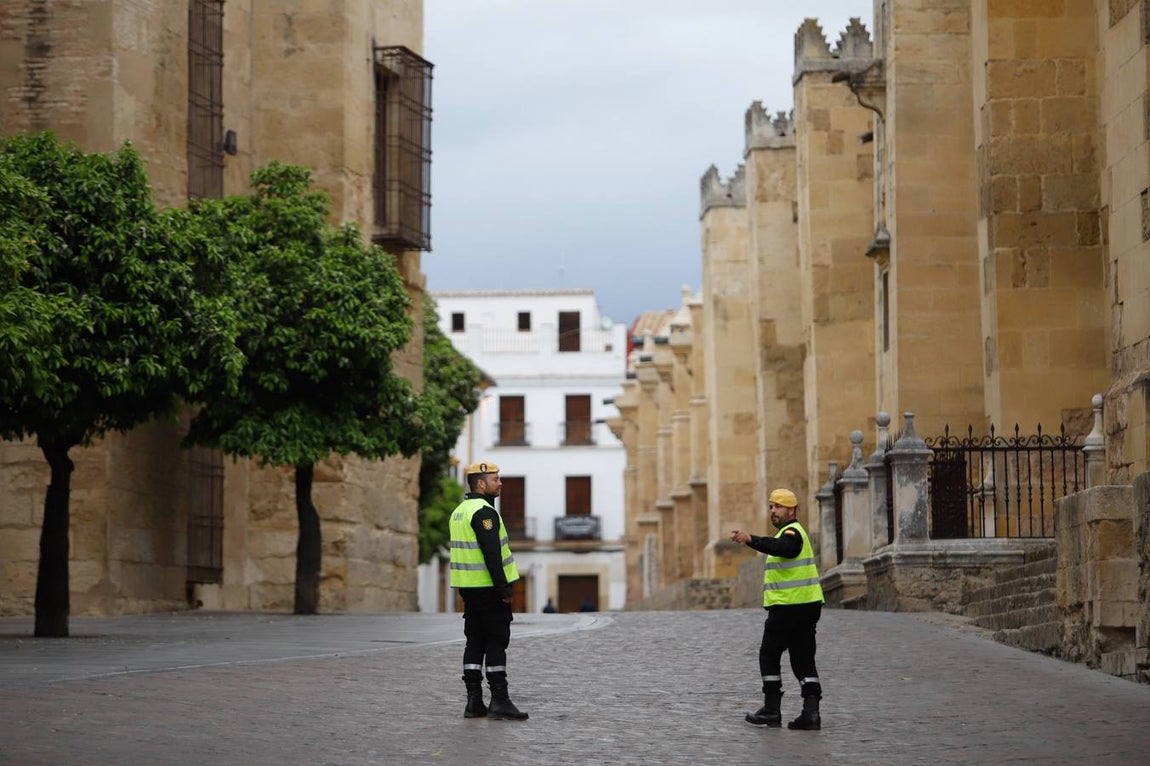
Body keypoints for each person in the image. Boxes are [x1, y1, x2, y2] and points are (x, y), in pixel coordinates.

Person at [730, 488, 825, 731]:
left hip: (789, 607)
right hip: (807, 605)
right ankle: (811, 713)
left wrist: (751, 539)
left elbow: (786, 548)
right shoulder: (790, 532)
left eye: (778, 507)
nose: (773, 511)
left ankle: (771, 709)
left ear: (792, 510)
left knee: (769, 654)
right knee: (802, 658)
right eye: (771, 506)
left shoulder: (792, 532)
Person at [449, 461, 528, 721]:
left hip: (468, 588)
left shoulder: (459, 511)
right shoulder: (484, 513)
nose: (501, 483)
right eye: (496, 479)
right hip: (488, 588)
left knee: (475, 640)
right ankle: (500, 700)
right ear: (481, 483)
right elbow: (492, 553)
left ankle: (474, 701)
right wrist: (504, 589)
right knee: (496, 640)